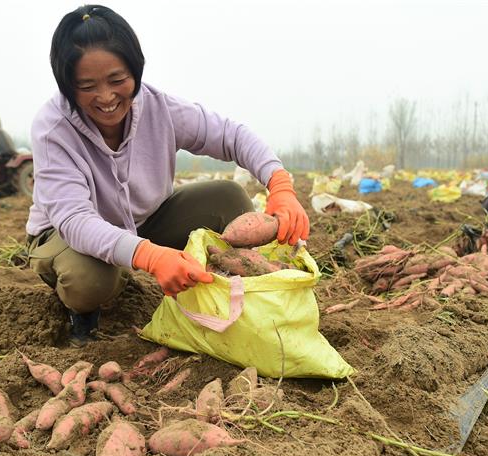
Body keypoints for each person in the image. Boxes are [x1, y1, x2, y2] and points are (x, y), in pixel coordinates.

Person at [26, 5, 309, 341]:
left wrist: (280, 185)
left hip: (144, 222)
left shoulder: (159, 108)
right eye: (87, 86)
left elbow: (232, 136)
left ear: (135, 70)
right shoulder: (53, 129)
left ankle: (218, 289)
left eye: (117, 80)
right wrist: (148, 255)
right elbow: (74, 220)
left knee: (228, 198)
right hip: (66, 236)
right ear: (67, 84)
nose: (105, 97)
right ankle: (83, 315)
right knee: (91, 281)